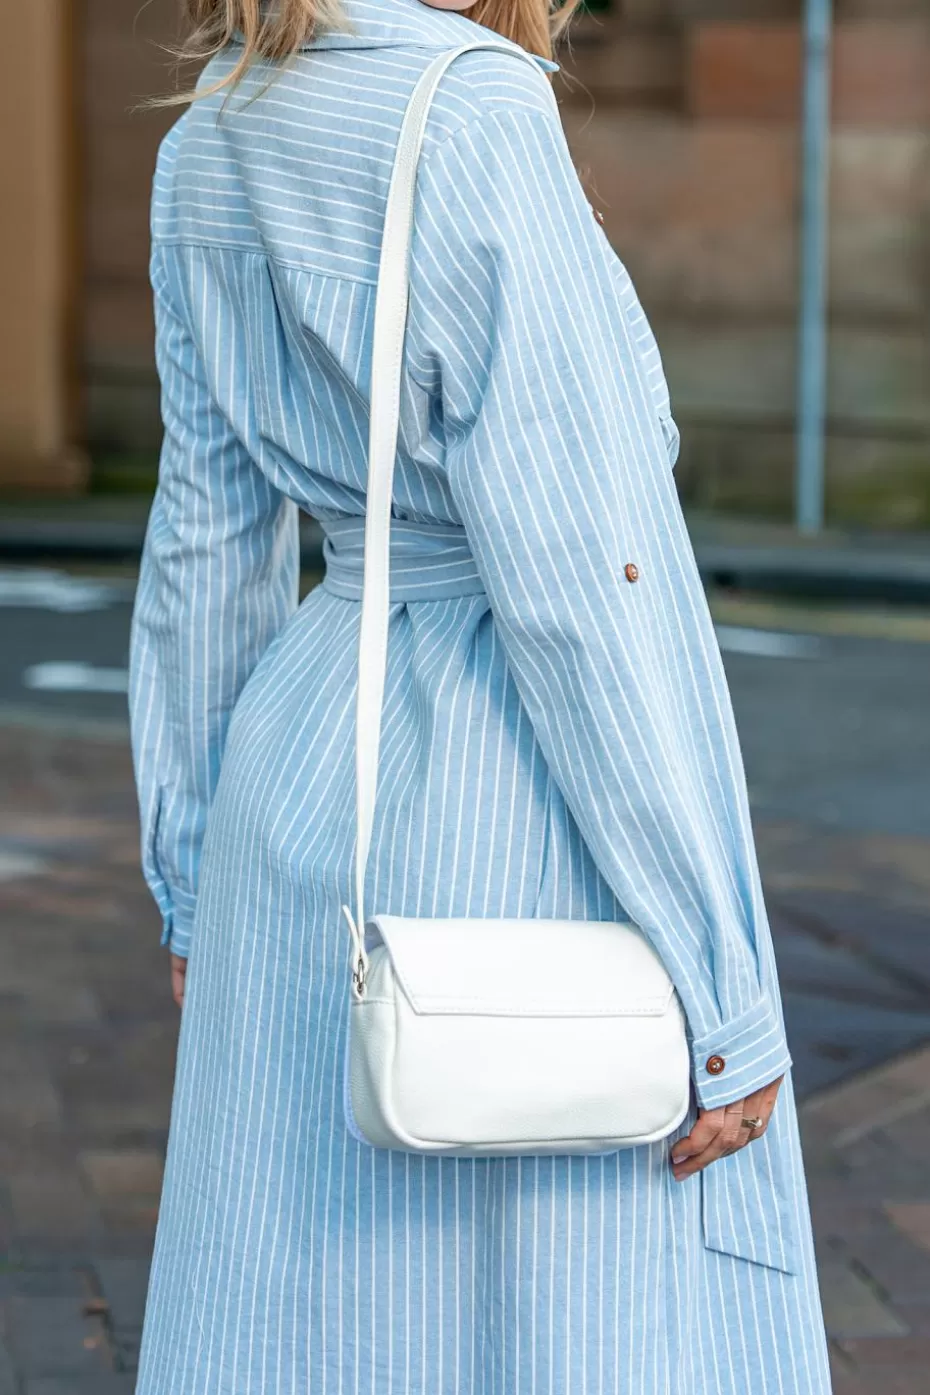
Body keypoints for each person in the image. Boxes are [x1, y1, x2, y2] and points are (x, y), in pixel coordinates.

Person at [129, 0, 832, 1390]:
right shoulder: (474, 113)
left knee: (317, 1296)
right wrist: (718, 975)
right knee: (550, 1298)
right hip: (509, 779)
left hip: (307, 747)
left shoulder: (214, 121)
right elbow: (581, 583)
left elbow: (205, 534)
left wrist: (189, 866)